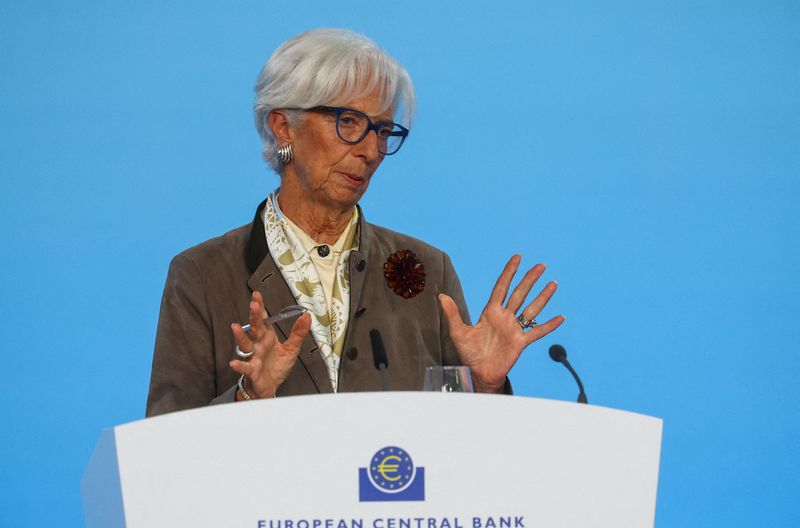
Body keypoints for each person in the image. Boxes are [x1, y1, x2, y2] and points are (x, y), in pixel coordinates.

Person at [145, 28, 564, 416]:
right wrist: (249, 395)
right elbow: (165, 451)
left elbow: (466, 455)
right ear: (282, 128)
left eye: (382, 130)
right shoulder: (202, 275)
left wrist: (487, 388)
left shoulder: (430, 270)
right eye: (348, 122)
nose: (370, 150)